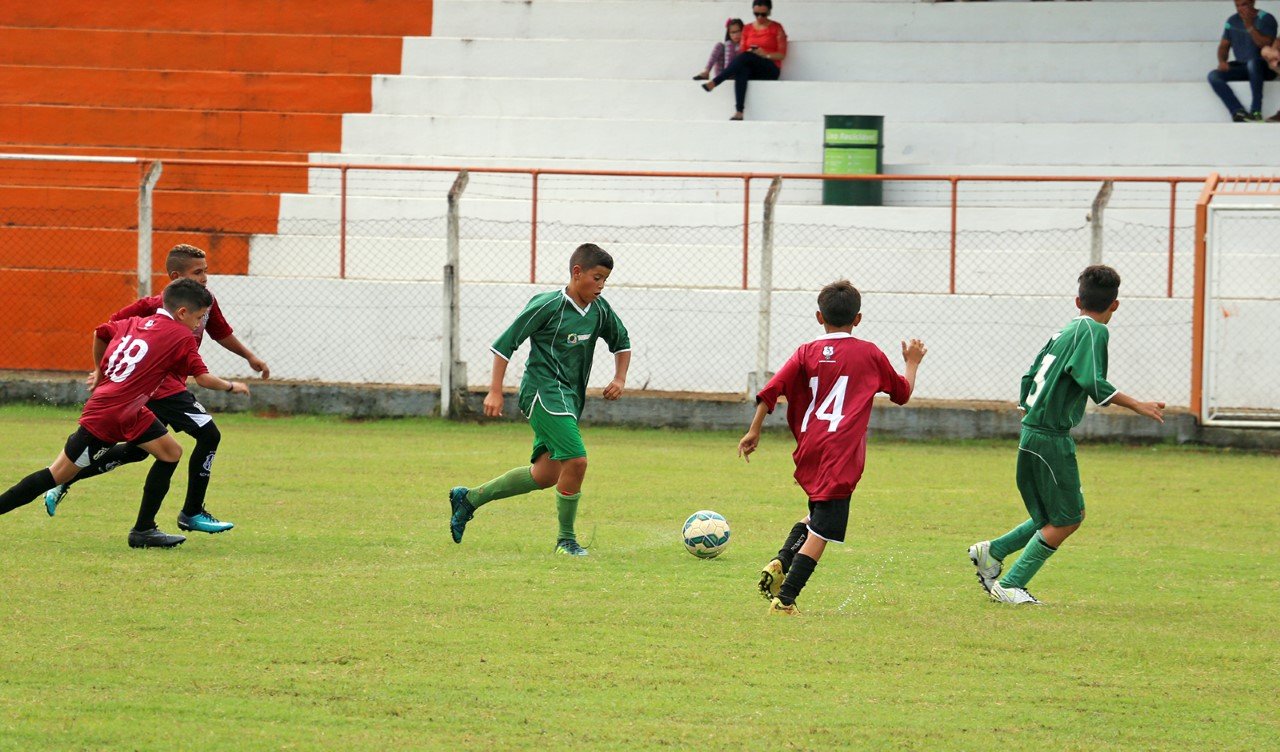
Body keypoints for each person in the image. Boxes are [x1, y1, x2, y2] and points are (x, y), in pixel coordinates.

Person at [0, 279, 250, 548]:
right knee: (56, 474)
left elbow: (101, 333)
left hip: (131, 409)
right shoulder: (181, 336)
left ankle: (144, 530)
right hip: (109, 413)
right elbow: (203, 378)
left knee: (170, 452)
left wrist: (100, 372)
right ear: (182, 313)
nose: (199, 325)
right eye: (199, 318)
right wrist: (231, 386)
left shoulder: (134, 323)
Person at [968, 265, 1165, 605]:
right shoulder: (1094, 332)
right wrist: (1138, 405)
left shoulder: (1064, 331)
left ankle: (993, 551)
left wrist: (1029, 406)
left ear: (1077, 300)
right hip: (1050, 438)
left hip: (1033, 431)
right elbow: (1094, 383)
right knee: (1068, 519)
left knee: (1057, 515)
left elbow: (1030, 375)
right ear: (1115, 305)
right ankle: (1012, 583)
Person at [44, 243, 269, 534]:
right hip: (160, 387)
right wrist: (104, 369)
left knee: (136, 452)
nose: (204, 278)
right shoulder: (154, 305)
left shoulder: (205, 301)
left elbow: (221, 333)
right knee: (209, 434)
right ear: (176, 276)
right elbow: (109, 329)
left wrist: (250, 357)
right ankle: (191, 512)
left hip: (164, 387)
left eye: (206, 272)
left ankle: (65, 479)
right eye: (198, 272)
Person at [737, 280, 926, 615]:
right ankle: (787, 599)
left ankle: (781, 561)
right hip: (841, 452)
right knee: (824, 530)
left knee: (816, 514)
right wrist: (911, 362)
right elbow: (902, 393)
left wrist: (754, 431)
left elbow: (771, 389)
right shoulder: (868, 352)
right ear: (858, 319)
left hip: (810, 445)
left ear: (818, 316)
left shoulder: (806, 352)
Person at [448, 243, 631, 556]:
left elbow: (622, 343)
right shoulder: (548, 305)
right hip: (542, 392)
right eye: (597, 278)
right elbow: (506, 345)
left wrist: (619, 378)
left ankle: (470, 498)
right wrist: (494, 390)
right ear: (577, 273)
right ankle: (566, 540)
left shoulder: (600, 310)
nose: (601, 286)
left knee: (547, 475)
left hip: (569, 399)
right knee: (577, 459)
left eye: (605, 280)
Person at [700, 0, 787, 120]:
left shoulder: (777, 28)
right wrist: (752, 53)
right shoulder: (747, 28)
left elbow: (781, 55)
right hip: (751, 65)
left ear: (769, 12)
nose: (760, 17)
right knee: (743, 68)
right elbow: (742, 51)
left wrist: (765, 54)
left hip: (770, 68)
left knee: (746, 57)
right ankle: (739, 111)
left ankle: (716, 81)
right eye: (757, 14)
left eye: (763, 14)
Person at [1207, 0, 1277, 122]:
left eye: (1244, 4)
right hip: (1243, 66)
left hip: (1265, 68)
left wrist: (1249, 25)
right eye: (1237, 5)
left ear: (1253, 2)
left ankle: (1256, 111)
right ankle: (1238, 112)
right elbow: (1224, 46)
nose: (1240, 9)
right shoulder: (1231, 21)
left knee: (1253, 63)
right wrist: (1222, 61)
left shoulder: (1266, 18)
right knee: (1213, 76)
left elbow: (1266, 45)